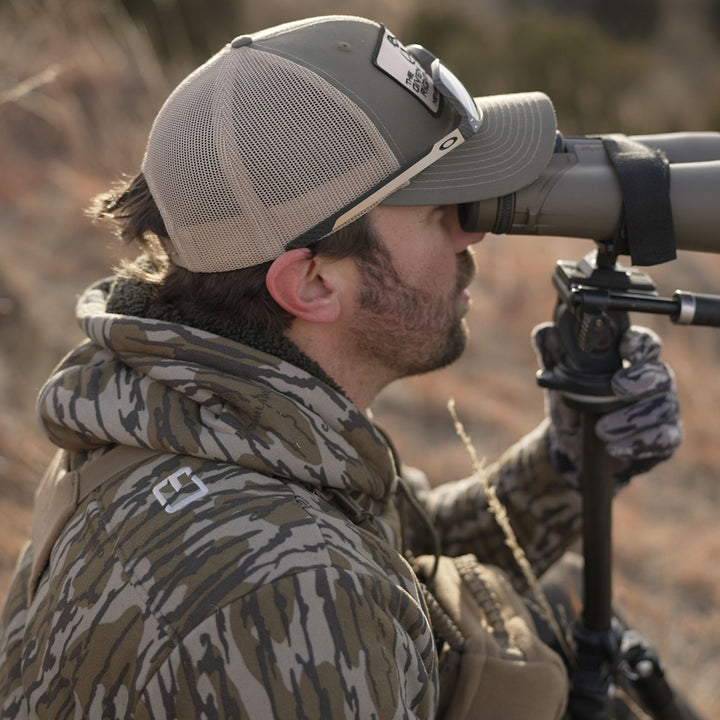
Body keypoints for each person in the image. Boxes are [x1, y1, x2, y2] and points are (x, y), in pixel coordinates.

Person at [0, 15, 681, 720]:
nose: (472, 230)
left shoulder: (191, 407)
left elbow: (391, 545)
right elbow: (328, 574)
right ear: (315, 283)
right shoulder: (288, 595)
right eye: (436, 210)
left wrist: (566, 465)